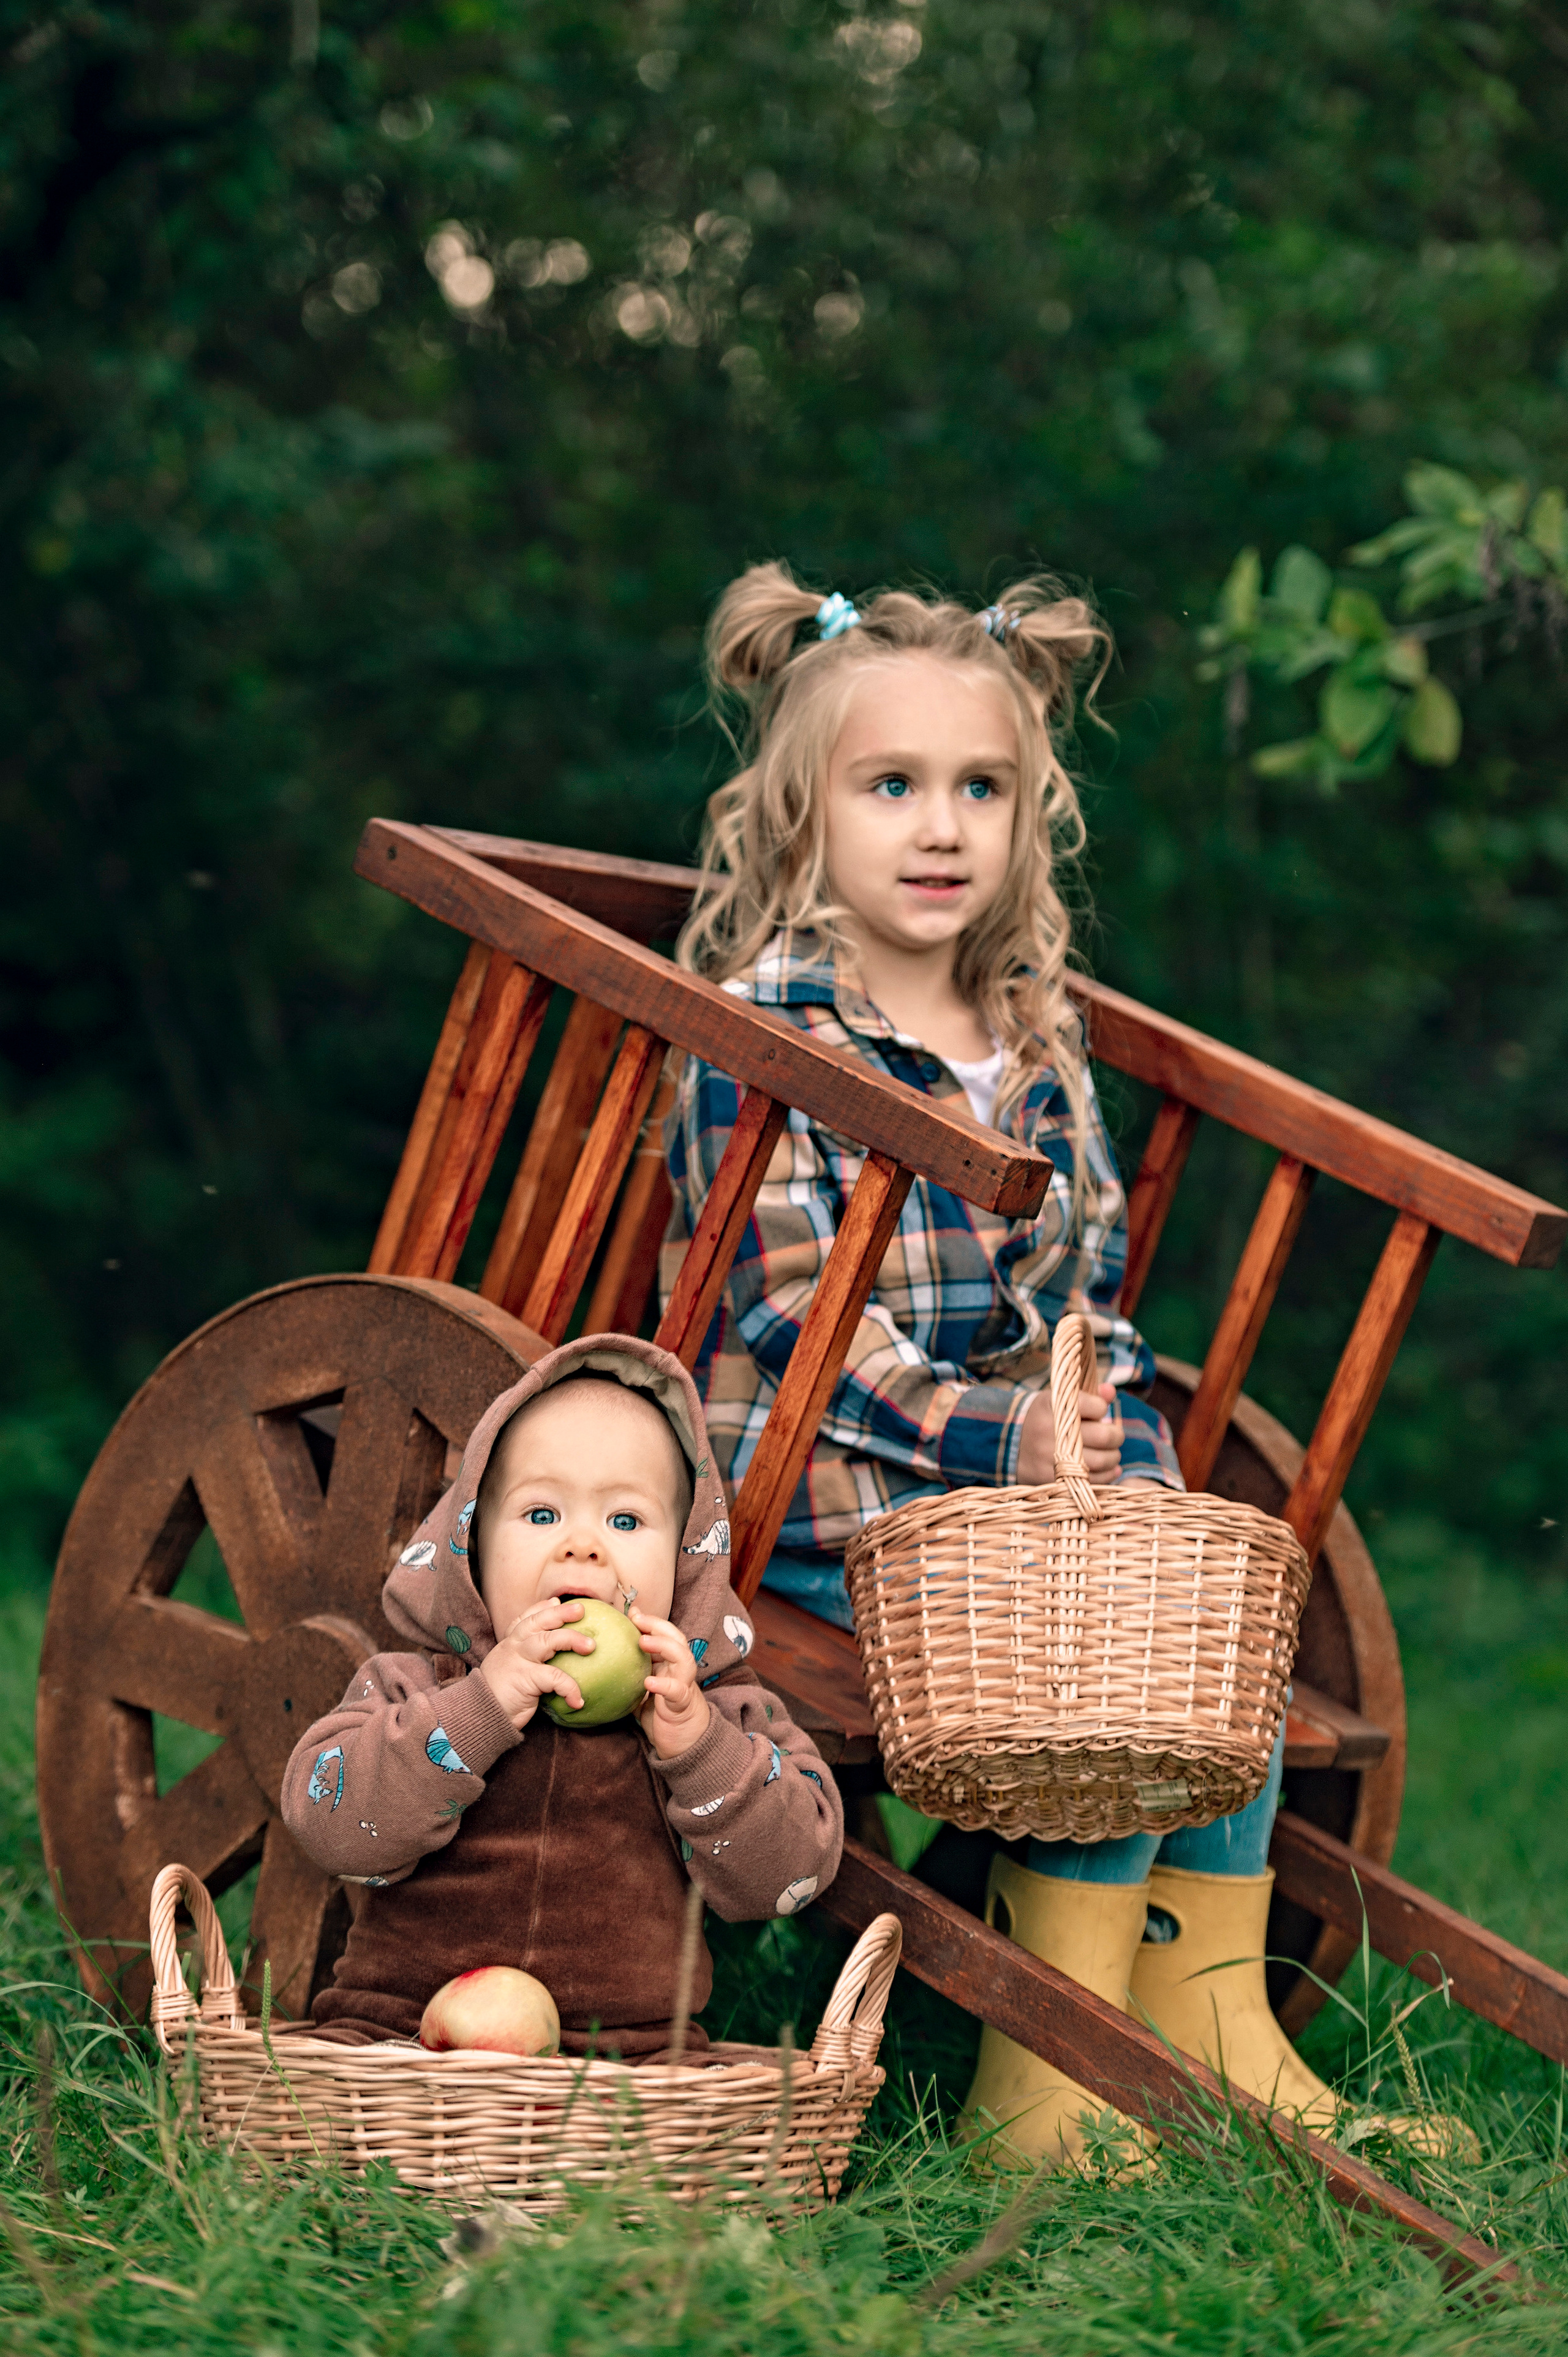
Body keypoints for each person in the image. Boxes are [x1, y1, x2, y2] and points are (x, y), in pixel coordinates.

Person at [660, 562, 1327, 2163]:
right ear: (805, 809)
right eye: (892, 785)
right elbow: (794, 1315)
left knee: (1177, 1577)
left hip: (999, 1484)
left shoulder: (1033, 1031)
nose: (942, 825)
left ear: (1033, 812)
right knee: (1093, 1606)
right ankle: (1039, 2085)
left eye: (983, 786)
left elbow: (1077, 1284)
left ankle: (1204, 2011)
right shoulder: (763, 1028)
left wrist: (1098, 1421)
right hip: (809, 1488)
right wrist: (1004, 1445)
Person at [281, 1334, 843, 2059]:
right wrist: (481, 1706)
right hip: (406, 2040)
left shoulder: (712, 1713)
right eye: (541, 1514)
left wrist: (699, 1750)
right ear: (471, 1546)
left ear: (685, 1563)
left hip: (631, 2064)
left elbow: (788, 1875)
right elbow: (328, 1825)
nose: (582, 1546)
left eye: (626, 1520)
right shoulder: (422, 1685)